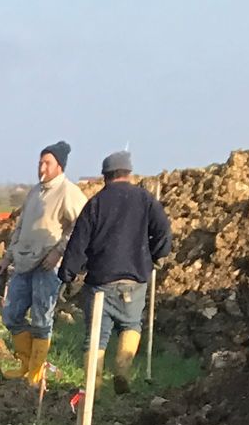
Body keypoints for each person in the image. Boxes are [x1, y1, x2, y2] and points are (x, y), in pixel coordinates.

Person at [59, 149, 174, 393]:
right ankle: (122, 369)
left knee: (96, 337)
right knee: (131, 325)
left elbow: (79, 241)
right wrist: (156, 255)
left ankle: (94, 387)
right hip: (134, 278)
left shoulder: (96, 203)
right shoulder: (145, 199)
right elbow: (163, 229)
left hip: (101, 281)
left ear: (105, 176)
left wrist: (68, 274)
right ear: (128, 173)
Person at [0, 141, 88, 390]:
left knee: (41, 319)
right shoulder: (34, 192)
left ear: (59, 166)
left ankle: (36, 372)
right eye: (40, 162)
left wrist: (58, 252)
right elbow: (20, 227)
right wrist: (8, 256)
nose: (41, 167)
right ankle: (25, 364)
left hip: (47, 266)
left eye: (47, 162)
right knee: (12, 315)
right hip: (23, 262)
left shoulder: (68, 192)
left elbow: (80, 226)